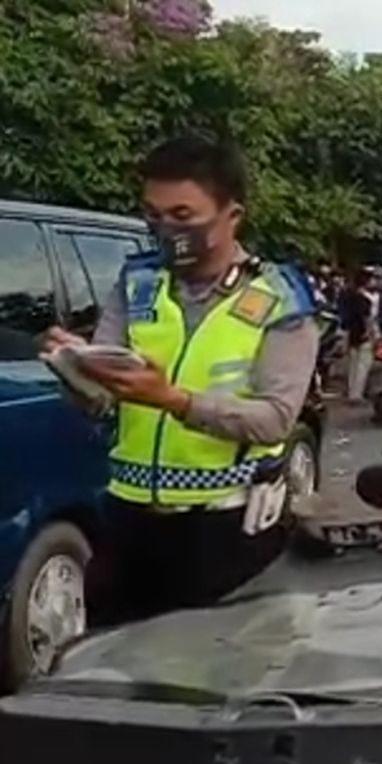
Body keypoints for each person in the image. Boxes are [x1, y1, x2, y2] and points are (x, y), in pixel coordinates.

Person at [43, 133, 318, 624]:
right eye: (153, 215)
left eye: (183, 216)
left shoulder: (280, 300)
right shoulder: (136, 285)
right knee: (116, 672)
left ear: (232, 214)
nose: (165, 229)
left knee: (215, 682)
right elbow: (102, 403)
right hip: (127, 524)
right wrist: (75, 370)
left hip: (226, 531)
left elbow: (275, 420)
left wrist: (173, 400)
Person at [343, 265, 382, 403]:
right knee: (363, 365)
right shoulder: (365, 299)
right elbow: (367, 318)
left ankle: (351, 392)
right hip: (363, 334)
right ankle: (357, 395)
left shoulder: (350, 294)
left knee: (353, 365)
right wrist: (370, 333)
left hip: (352, 333)